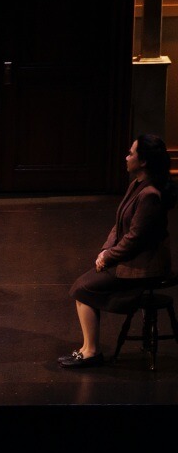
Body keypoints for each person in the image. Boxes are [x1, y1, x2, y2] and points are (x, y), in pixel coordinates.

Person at [59, 134, 176, 368]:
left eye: (131, 153)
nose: (126, 156)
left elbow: (135, 239)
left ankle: (91, 351)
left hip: (144, 266)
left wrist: (109, 256)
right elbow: (119, 224)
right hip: (130, 258)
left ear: (143, 161)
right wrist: (105, 251)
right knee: (83, 286)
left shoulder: (150, 195)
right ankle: (86, 348)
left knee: (82, 289)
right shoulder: (137, 185)